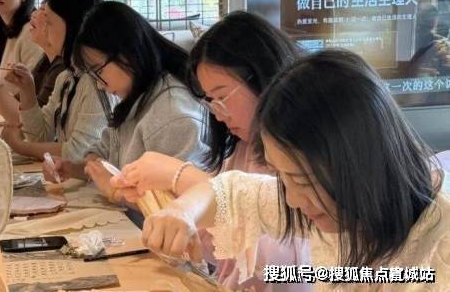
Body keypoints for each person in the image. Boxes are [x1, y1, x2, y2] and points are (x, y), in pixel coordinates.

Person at [115, 50, 449, 290]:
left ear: (361, 161)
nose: (291, 199)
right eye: (282, 176)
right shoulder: (335, 206)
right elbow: (232, 191)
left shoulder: (439, 252)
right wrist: (181, 212)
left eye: (301, 180)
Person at [102, 11, 308, 290]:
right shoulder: (242, 147)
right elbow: (217, 249)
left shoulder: (305, 157)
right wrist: (166, 205)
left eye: (222, 96)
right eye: (211, 100)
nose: (218, 114)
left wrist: (180, 177)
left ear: (263, 76)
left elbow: (283, 263)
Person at [42, 1, 208, 204]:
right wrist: (74, 168)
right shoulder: (138, 95)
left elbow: (180, 204)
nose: (100, 85)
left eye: (99, 71)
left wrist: (115, 189)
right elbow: (104, 153)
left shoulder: (172, 112)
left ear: (127, 53)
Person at [0, 0, 107, 161]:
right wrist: (27, 91)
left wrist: (20, 146)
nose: (43, 26)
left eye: (49, 21)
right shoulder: (66, 77)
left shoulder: (95, 82)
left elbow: (79, 152)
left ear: (73, 24)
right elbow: (41, 136)